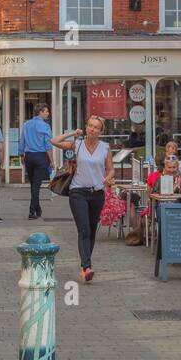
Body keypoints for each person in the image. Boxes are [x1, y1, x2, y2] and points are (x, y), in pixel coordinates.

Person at [67, 114, 113, 282]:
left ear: (100, 131)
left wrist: (108, 178)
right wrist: (72, 134)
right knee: (84, 229)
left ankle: (84, 265)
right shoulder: (77, 144)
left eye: (96, 127)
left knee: (92, 230)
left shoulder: (105, 148)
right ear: (86, 127)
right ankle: (87, 266)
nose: (92, 129)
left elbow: (111, 169)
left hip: (97, 193)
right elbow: (54, 141)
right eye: (90, 125)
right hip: (78, 192)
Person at [19, 104, 53, 220]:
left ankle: (37, 208)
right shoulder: (45, 126)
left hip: (28, 156)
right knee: (36, 185)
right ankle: (32, 211)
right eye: (46, 111)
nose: (48, 113)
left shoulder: (26, 124)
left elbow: (22, 140)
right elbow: (48, 145)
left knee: (33, 184)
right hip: (40, 156)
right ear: (40, 112)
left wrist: (21, 154)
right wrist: (51, 160)